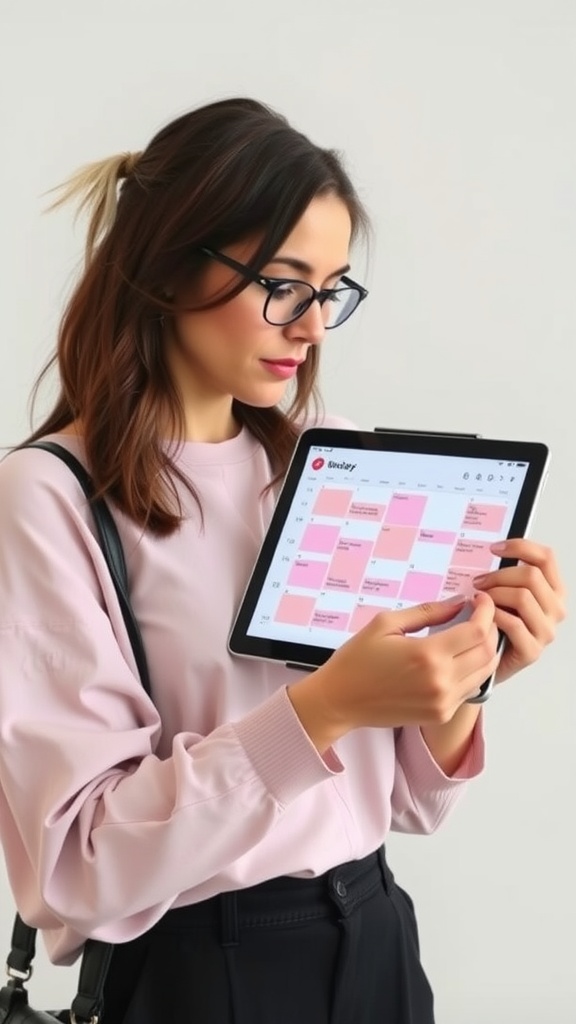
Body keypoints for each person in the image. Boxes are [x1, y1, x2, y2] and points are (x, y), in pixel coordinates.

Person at [0, 97, 565, 1024]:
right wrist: (326, 705)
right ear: (170, 263)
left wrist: (467, 677)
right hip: (200, 972)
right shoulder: (52, 496)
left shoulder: (327, 457)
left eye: (332, 289)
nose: (312, 327)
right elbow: (79, 863)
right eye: (283, 284)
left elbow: (413, 809)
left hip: (377, 934)